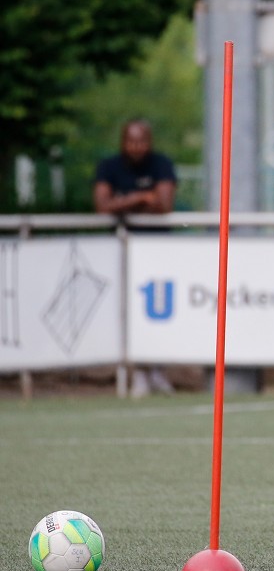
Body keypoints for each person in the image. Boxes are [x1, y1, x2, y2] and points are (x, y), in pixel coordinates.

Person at [93, 119, 177, 398]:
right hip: (123, 252)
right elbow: (103, 207)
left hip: (157, 252)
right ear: (123, 141)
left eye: (142, 141)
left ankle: (156, 370)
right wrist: (141, 197)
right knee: (127, 310)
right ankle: (138, 372)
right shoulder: (109, 167)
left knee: (156, 312)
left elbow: (164, 205)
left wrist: (123, 201)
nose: (137, 146)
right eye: (132, 140)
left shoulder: (161, 164)